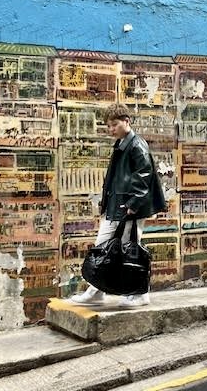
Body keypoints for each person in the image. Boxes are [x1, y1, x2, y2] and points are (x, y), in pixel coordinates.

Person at [69, 103, 166, 307]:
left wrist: (133, 204)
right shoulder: (123, 143)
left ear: (126, 121)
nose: (111, 129)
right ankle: (96, 291)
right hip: (118, 206)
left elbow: (144, 175)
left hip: (128, 208)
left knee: (130, 251)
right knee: (104, 249)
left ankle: (140, 294)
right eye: (108, 126)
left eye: (114, 124)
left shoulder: (136, 145)